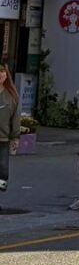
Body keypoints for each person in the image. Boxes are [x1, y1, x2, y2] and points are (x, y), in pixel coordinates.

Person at [0, 61, 20, 201]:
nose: (0, 75)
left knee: (2, 173)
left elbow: (15, 118)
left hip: (3, 138)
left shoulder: (11, 95)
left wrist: (15, 137)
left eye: (2, 72)